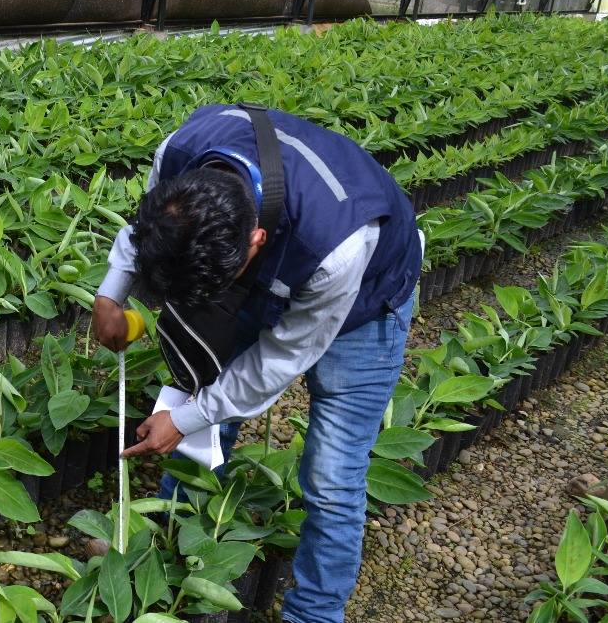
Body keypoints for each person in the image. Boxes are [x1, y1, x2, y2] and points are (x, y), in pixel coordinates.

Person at [92, 103, 422, 623]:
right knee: (200, 401)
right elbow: (145, 229)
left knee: (332, 478)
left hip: (365, 307)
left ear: (256, 242)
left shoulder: (335, 244)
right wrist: (112, 295)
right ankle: (167, 556)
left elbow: (283, 358)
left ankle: (312, 615)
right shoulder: (181, 153)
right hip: (267, 273)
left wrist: (183, 418)